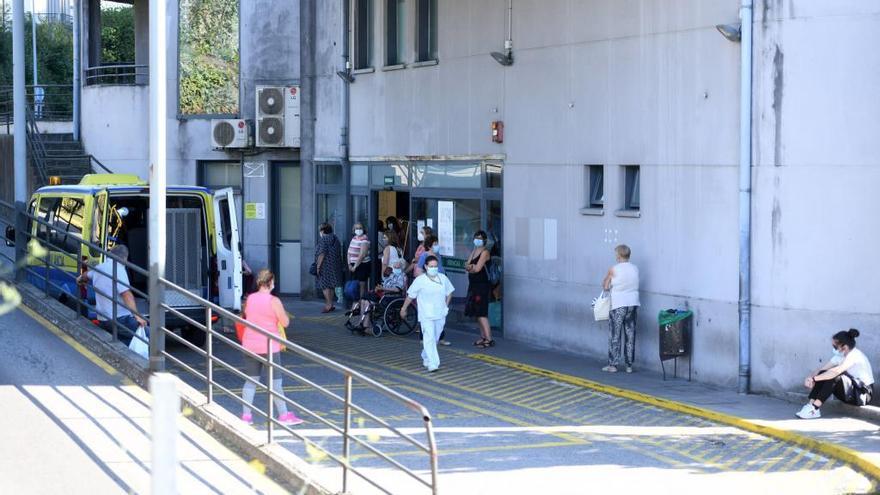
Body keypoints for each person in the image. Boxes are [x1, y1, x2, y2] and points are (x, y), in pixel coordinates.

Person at [239, 270, 303, 426]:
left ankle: (246, 416)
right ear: (270, 282)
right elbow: (285, 322)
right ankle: (283, 415)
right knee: (275, 383)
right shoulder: (274, 301)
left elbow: (247, 315)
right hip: (269, 345)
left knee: (251, 381)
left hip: (250, 344)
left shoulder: (250, 298)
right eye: (273, 281)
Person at [77, 244, 148, 346]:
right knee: (151, 335)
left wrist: (79, 280)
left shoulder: (99, 267)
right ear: (125, 258)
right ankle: (155, 361)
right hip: (119, 320)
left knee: (125, 340)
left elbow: (85, 276)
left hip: (102, 319)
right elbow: (126, 294)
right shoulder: (118, 269)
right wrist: (137, 316)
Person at [797, 329, 874, 419]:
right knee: (823, 373)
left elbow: (837, 371)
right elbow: (821, 369)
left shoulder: (855, 355)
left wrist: (814, 379)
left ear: (844, 347)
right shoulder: (839, 356)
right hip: (852, 391)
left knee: (834, 376)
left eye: (835, 346)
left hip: (862, 394)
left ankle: (815, 408)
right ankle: (810, 405)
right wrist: (810, 377)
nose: (833, 349)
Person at [400, 256, 454, 372]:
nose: (434, 268)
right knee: (429, 337)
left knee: (435, 338)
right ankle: (433, 363)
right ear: (425, 266)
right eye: (431, 266)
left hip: (440, 313)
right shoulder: (420, 280)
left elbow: (449, 292)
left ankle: (425, 356)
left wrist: (446, 305)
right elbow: (410, 296)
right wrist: (403, 308)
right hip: (426, 315)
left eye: (435, 266)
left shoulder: (443, 278)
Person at [601, 244, 640, 373]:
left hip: (618, 305)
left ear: (618, 256)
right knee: (630, 334)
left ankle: (613, 364)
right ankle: (629, 365)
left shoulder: (614, 269)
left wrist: (607, 277)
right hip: (632, 304)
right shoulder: (635, 268)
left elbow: (606, 287)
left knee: (615, 335)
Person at [415, 234, 450, 346]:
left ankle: (440, 337)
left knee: (440, 312)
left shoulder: (437, 255)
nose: (437, 246)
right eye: (435, 244)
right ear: (429, 246)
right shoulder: (424, 256)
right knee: (427, 313)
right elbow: (418, 271)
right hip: (429, 288)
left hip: (440, 286)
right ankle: (424, 337)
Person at [465, 230, 494, 349]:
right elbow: (467, 265)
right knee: (477, 312)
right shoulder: (474, 251)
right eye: (476, 237)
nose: (478, 240)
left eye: (480, 238)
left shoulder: (485, 252)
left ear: (485, 240)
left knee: (482, 312)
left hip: (482, 286)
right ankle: (483, 337)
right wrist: (471, 267)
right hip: (473, 285)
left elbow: (477, 269)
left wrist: (471, 267)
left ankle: (489, 339)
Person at [315, 222, 343, 313]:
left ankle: (328, 305)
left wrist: (318, 267)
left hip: (325, 265)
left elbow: (321, 254)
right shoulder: (335, 238)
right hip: (335, 265)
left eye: (320, 230)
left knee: (325, 285)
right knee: (331, 285)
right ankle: (331, 304)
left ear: (322, 231)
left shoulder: (323, 240)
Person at [347, 222, 371, 300]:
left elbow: (362, 254)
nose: (358, 230)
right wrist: (349, 264)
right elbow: (349, 252)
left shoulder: (365, 239)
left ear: (363, 229)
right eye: (357, 228)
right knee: (354, 286)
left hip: (362, 265)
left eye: (360, 228)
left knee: (361, 285)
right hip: (353, 265)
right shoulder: (354, 238)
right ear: (354, 230)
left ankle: (361, 304)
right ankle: (355, 303)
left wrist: (355, 266)